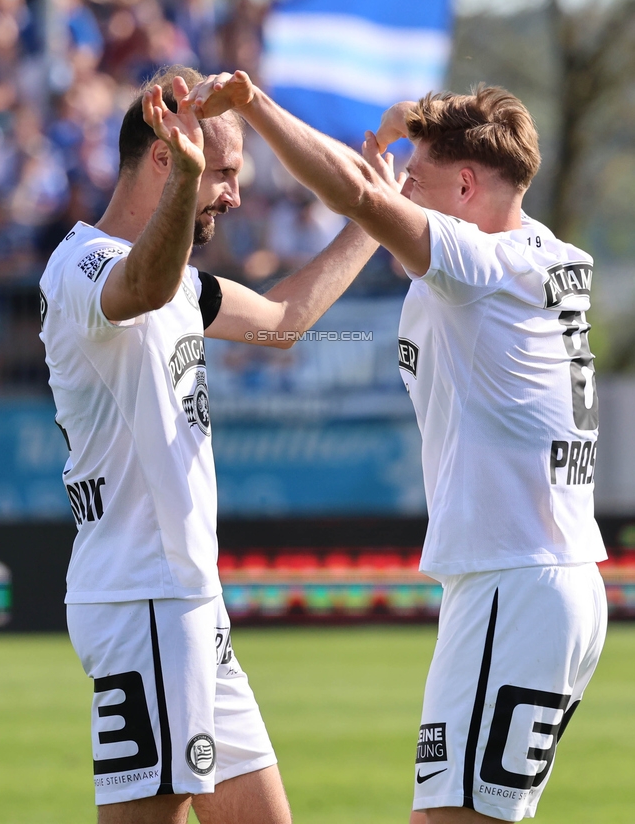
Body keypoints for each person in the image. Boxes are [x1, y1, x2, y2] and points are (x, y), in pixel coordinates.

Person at [187, 71, 608, 824]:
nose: (401, 190)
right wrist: (399, 135)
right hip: (535, 579)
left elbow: (357, 197)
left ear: (467, 187)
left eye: (417, 180)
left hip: (514, 582)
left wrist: (254, 105)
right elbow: (387, 197)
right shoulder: (546, 255)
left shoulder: (483, 265)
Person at [38, 63, 381, 824]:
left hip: (186, 600)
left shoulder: (185, 284)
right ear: (165, 154)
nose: (232, 194)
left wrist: (376, 216)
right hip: (145, 599)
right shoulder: (82, 267)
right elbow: (141, 288)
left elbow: (286, 320)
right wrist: (195, 176)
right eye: (220, 171)